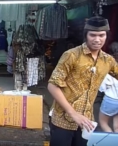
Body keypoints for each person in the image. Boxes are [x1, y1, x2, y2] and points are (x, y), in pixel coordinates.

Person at [48, 16, 118, 146]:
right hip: (63, 119)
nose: (97, 39)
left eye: (101, 35)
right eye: (93, 35)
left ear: (106, 36)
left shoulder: (108, 60)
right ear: (86, 35)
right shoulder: (72, 55)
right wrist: (73, 113)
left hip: (86, 122)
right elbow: (52, 85)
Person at [98, 42, 118, 132]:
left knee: (103, 122)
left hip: (111, 99)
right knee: (117, 126)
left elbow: (102, 88)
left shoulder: (109, 67)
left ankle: (111, 142)